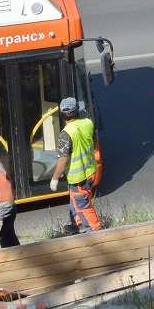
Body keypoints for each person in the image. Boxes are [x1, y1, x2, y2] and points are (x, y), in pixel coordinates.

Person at [48, 97, 101, 234]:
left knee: (83, 204)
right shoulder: (88, 123)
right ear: (77, 110)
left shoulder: (66, 134)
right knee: (74, 202)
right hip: (91, 171)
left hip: (78, 178)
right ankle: (77, 225)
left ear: (62, 115)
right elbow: (94, 144)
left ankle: (95, 231)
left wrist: (55, 178)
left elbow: (63, 160)